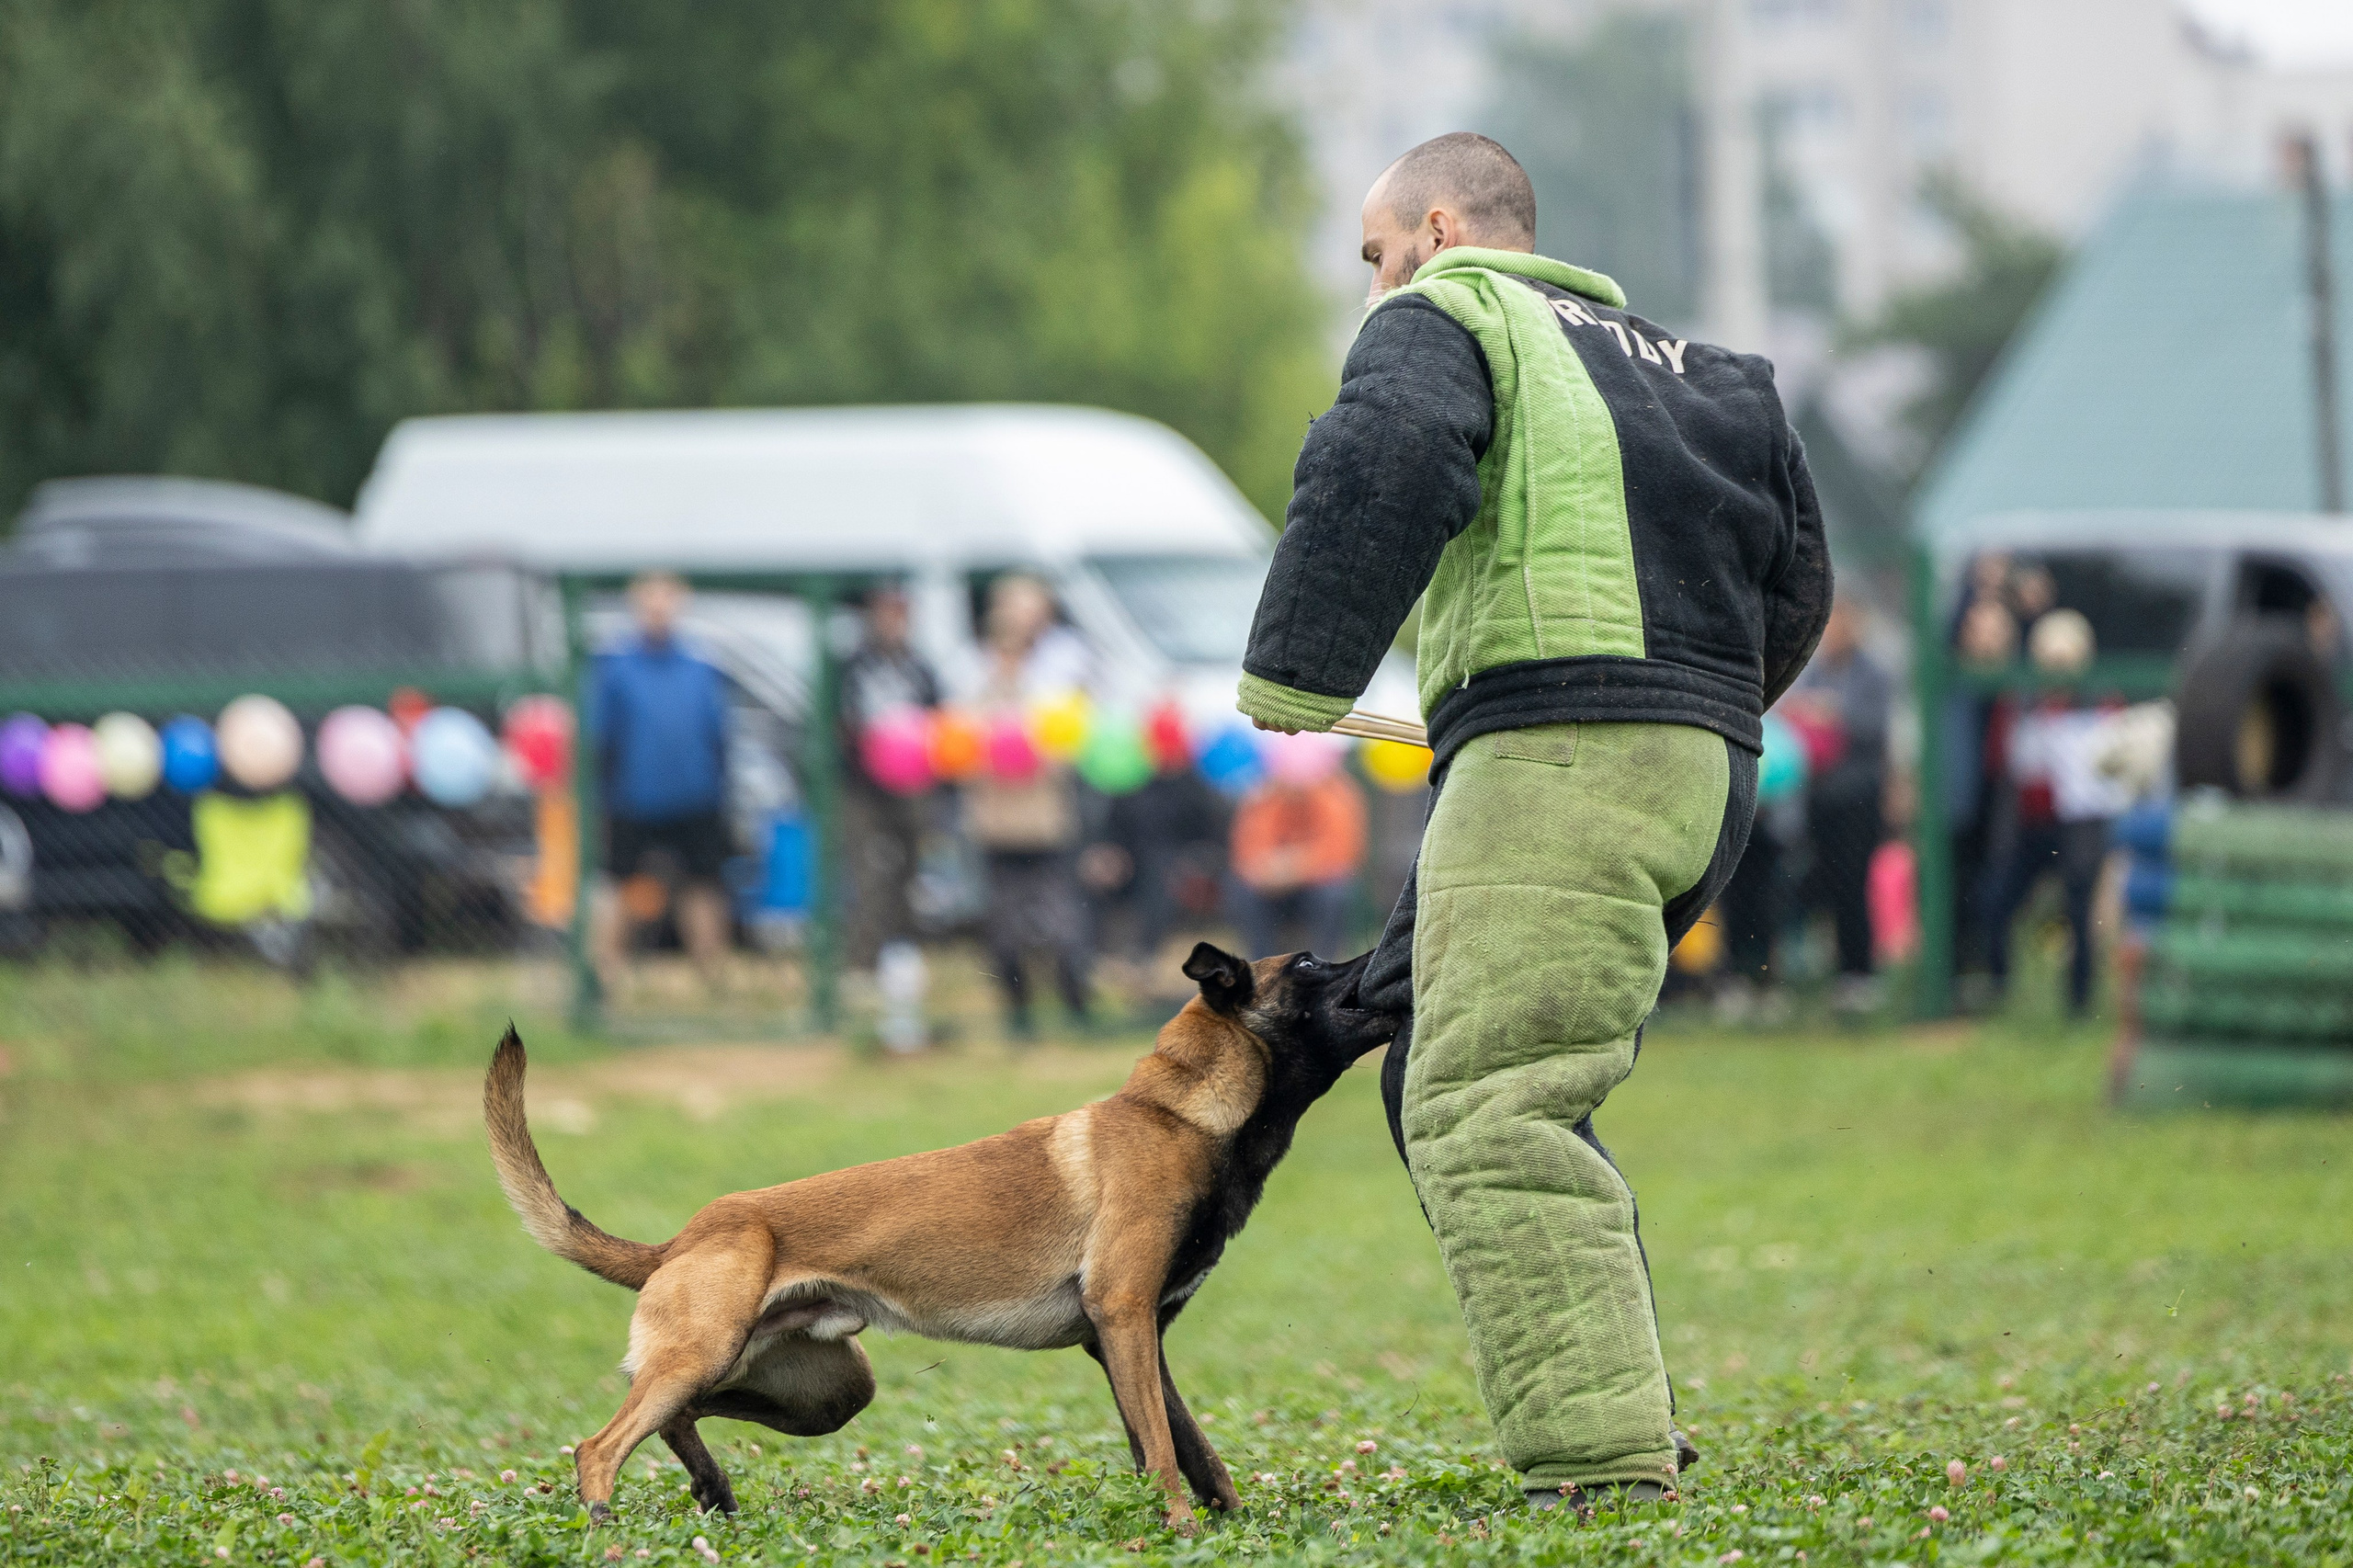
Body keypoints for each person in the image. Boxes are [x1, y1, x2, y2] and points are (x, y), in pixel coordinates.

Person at [1234, 132, 1830, 1509]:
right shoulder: (1707, 375)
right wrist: (1698, 708)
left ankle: (1605, 1463)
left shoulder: (1449, 314)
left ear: (1439, 229)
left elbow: (1382, 455)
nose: (1377, 284)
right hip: (1700, 770)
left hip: (1562, 760)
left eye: (1377, 254)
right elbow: (1800, 583)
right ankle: (1622, 1401)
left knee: (1491, 1100)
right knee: (1437, 1052)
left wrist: (1298, 672)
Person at [588, 571, 733, 994]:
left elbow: (719, 737)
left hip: (696, 797)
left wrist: (720, 788)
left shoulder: (700, 669)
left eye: (666, 598)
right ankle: (603, 979)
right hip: (633, 799)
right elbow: (601, 740)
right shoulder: (616, 669)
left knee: (703, 887)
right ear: (635, 605)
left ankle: (713, 979)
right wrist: (603, 798)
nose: (658, 608)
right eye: (649, 599)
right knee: (617, 885)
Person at [965, 574, 1095, 1037]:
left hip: (1045, 825)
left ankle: (1076, 1008)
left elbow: (1067, 748)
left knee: (1062, 924)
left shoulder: (1050, 688)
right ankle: (1018, 1015)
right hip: (997, 826)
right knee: (1005, 929)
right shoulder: (975, 691)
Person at [1782, 597, 1893, 1015]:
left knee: (1853, 885)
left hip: (1859, 799)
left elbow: (1876, 728)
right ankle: (1824, 969)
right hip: (1819, 797)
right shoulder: (1815, 671)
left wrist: (1835, 715)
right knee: (1820, 882)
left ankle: (1860, 973)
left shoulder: (1874, 675)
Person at [836, 584, 941, 971]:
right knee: (867, 874)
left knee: (910, 871)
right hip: (863, 787)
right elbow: (839, 722)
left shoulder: (920, 668)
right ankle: (863, 958)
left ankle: (903, 953)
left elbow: (938, 721)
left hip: (912, 786)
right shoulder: (852, 667)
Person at [1225, 749, 1368, 960]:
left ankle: (1325, 964)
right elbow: (1247, 854)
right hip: (1271, 890)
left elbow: (1342, 854)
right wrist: (1270, 870)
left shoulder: (1337, 796)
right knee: (1241, 891)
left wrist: (1297, 867)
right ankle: (1261, 965)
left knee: (1337, 892)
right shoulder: (1262, 797)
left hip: (1317, 887)